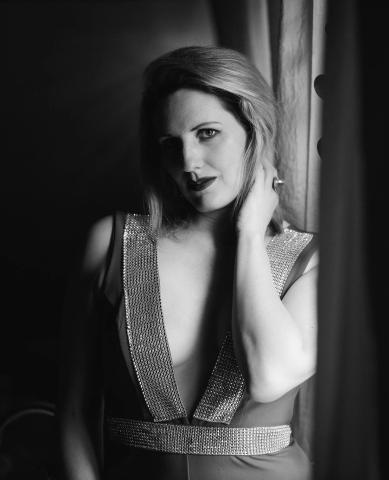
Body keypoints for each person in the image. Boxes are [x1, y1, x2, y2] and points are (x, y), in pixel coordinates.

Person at [58, 46, 318, 480]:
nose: (189, 162)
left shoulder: (310, 260)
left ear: (253, 130)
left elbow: (268, 377)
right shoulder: (111, 243)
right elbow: (73, 412)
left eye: (207, 133)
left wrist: (250, 232)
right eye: (170, 144)